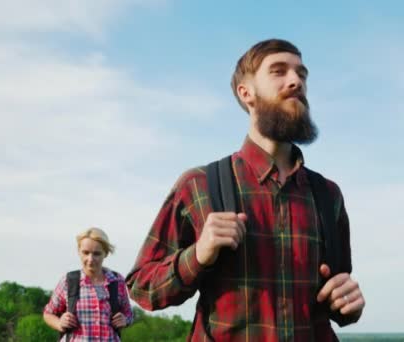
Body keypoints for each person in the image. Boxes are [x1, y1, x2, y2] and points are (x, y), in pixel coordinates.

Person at [126, 39, 365, 341]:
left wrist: (348, 305)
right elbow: (141, 287)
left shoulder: (327, 194)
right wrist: (198, 255)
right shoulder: (198, 184)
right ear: (246, 93)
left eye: (301, 75)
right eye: (278, 71)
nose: (295, 81)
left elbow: (336, 297)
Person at [44, 227, 133, 341]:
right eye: (86, 253)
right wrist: (60, 323)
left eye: (96, 254)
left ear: (105, 253)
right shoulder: (69, 281)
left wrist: (125, 320)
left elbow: (128, 313)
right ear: (79, 252)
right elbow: (48, 314)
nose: (90, 259)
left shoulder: (117, 281)